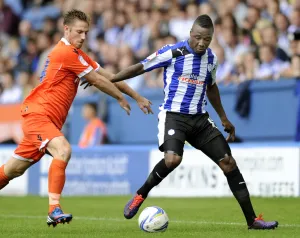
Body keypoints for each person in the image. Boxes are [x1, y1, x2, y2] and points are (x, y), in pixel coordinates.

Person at [111, 14, 279, 230]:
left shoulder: (211, 59)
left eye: (206, 39)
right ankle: (140, 195)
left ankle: (252, 220)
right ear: (190, 33)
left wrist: (224, 118)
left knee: (228, 162)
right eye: (198, 37)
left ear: (211, 38)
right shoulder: (172, 52)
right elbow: (140, 67)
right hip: (174, 116)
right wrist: (112, 78)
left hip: (200, 119)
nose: (201, 43)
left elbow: (211, 87)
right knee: (172, 160)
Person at [0, 9, 153, 227]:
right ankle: (54, 209)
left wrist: (137, 96)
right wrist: (119, 98)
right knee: (63, 149)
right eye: (79, 32)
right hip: (38, 114)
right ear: (66, 29)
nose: (83, 37)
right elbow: (97, 81)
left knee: (13, 169)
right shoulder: (65, 52)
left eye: (86, 33)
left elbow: (109, 76)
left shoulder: (78, 55)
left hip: (48, 120)